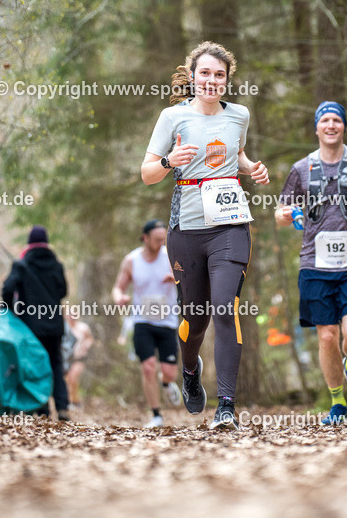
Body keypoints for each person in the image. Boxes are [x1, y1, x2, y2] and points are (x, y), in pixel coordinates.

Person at [141, 41, 269, 431]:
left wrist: (251, 169)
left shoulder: (239, 115)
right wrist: (169, 161)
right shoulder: (172, 117)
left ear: (227, 81)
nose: (212, 80)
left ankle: (227, 405)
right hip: (187, 230)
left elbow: (237, 155)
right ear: (193, 76)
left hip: (230, 226)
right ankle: (191, 369)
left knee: (224, 307)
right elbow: (147, 172)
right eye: (205, 73)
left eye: (219, 75)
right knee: (195, 319)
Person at [275, 101, 347, 425]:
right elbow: (281, 213)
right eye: (325, 120)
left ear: (344, 127)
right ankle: (337, 403)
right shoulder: (301, 169)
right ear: (316, 128)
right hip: (315, 263)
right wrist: (288, 214)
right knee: (326, 336)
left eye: (337, 120)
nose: (331, 125)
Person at [111, 219, 184, 427]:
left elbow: (188, 278)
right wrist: (119, 297)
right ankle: (156, 415)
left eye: (164, 240)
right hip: (142, 321)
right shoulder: (131, 260)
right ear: (145, 238)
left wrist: (177, 279)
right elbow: (118, 287)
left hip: (167, 322)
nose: (161, 243)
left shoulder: (170, 256)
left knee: (169, 371)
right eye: (157, 240)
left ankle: (167, 383)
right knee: (148, 367)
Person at [0, 225, 71, 420]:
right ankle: (63, 406)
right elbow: (63, 291)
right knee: (56, 362)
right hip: (55, 324)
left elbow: (7, 288)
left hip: (30, 326)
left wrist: (11, 310)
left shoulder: (21, 265)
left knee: (35, 365)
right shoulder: (57, 265)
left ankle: (43, 409)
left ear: (29, 243)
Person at [63, 315, 94, 409]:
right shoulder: (64, 327)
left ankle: (74, 401)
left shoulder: (83, 327)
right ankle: (72, 401)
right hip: (67, 358)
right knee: (67, 380)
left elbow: (90, 338)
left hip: (79, 357)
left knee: (73, 378)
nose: (71, 317)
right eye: (69, 315)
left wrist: (87, 345)